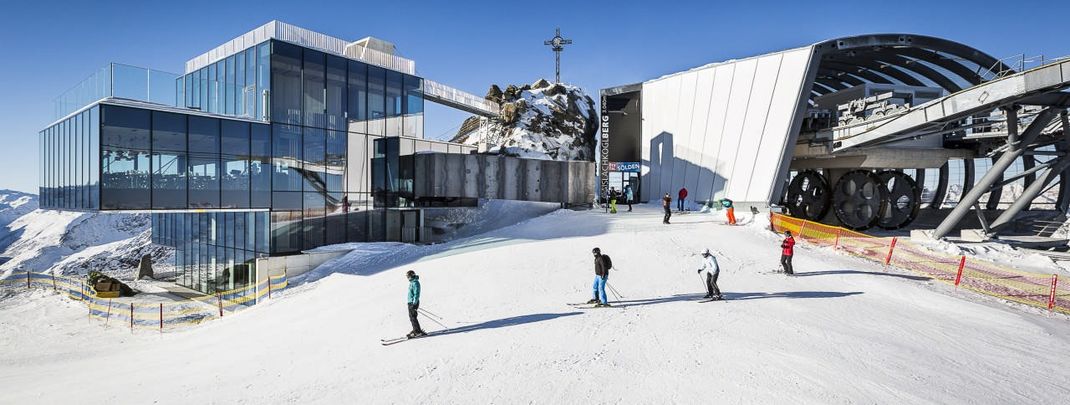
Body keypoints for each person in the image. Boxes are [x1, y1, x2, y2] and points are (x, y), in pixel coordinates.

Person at [405, 270, 426, 338]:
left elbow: (416, 294)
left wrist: (414, 303)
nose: (408, 278)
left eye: (408, 276)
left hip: (413, 303)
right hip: (410, 302)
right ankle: (416, 329)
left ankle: (417, 331)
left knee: (413, 317)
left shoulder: (415, 283)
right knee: (412, 317)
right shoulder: (412, 282)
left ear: (411, 275)